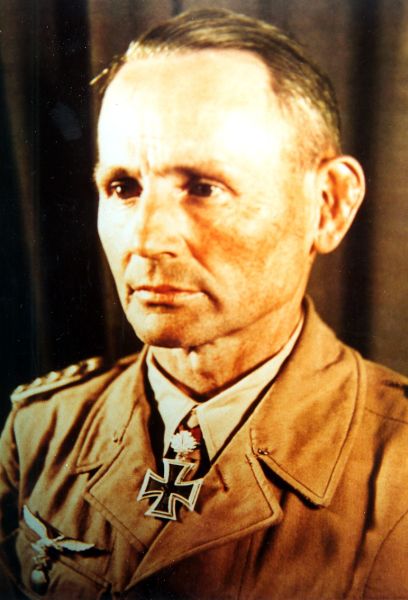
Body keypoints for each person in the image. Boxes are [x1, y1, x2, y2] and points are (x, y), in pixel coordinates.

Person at [1, 8, 407, 599]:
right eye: (123, 187)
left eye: (202, 188)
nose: (145, 240)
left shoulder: (398, 473)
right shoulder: (42, 431)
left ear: (328, 205)